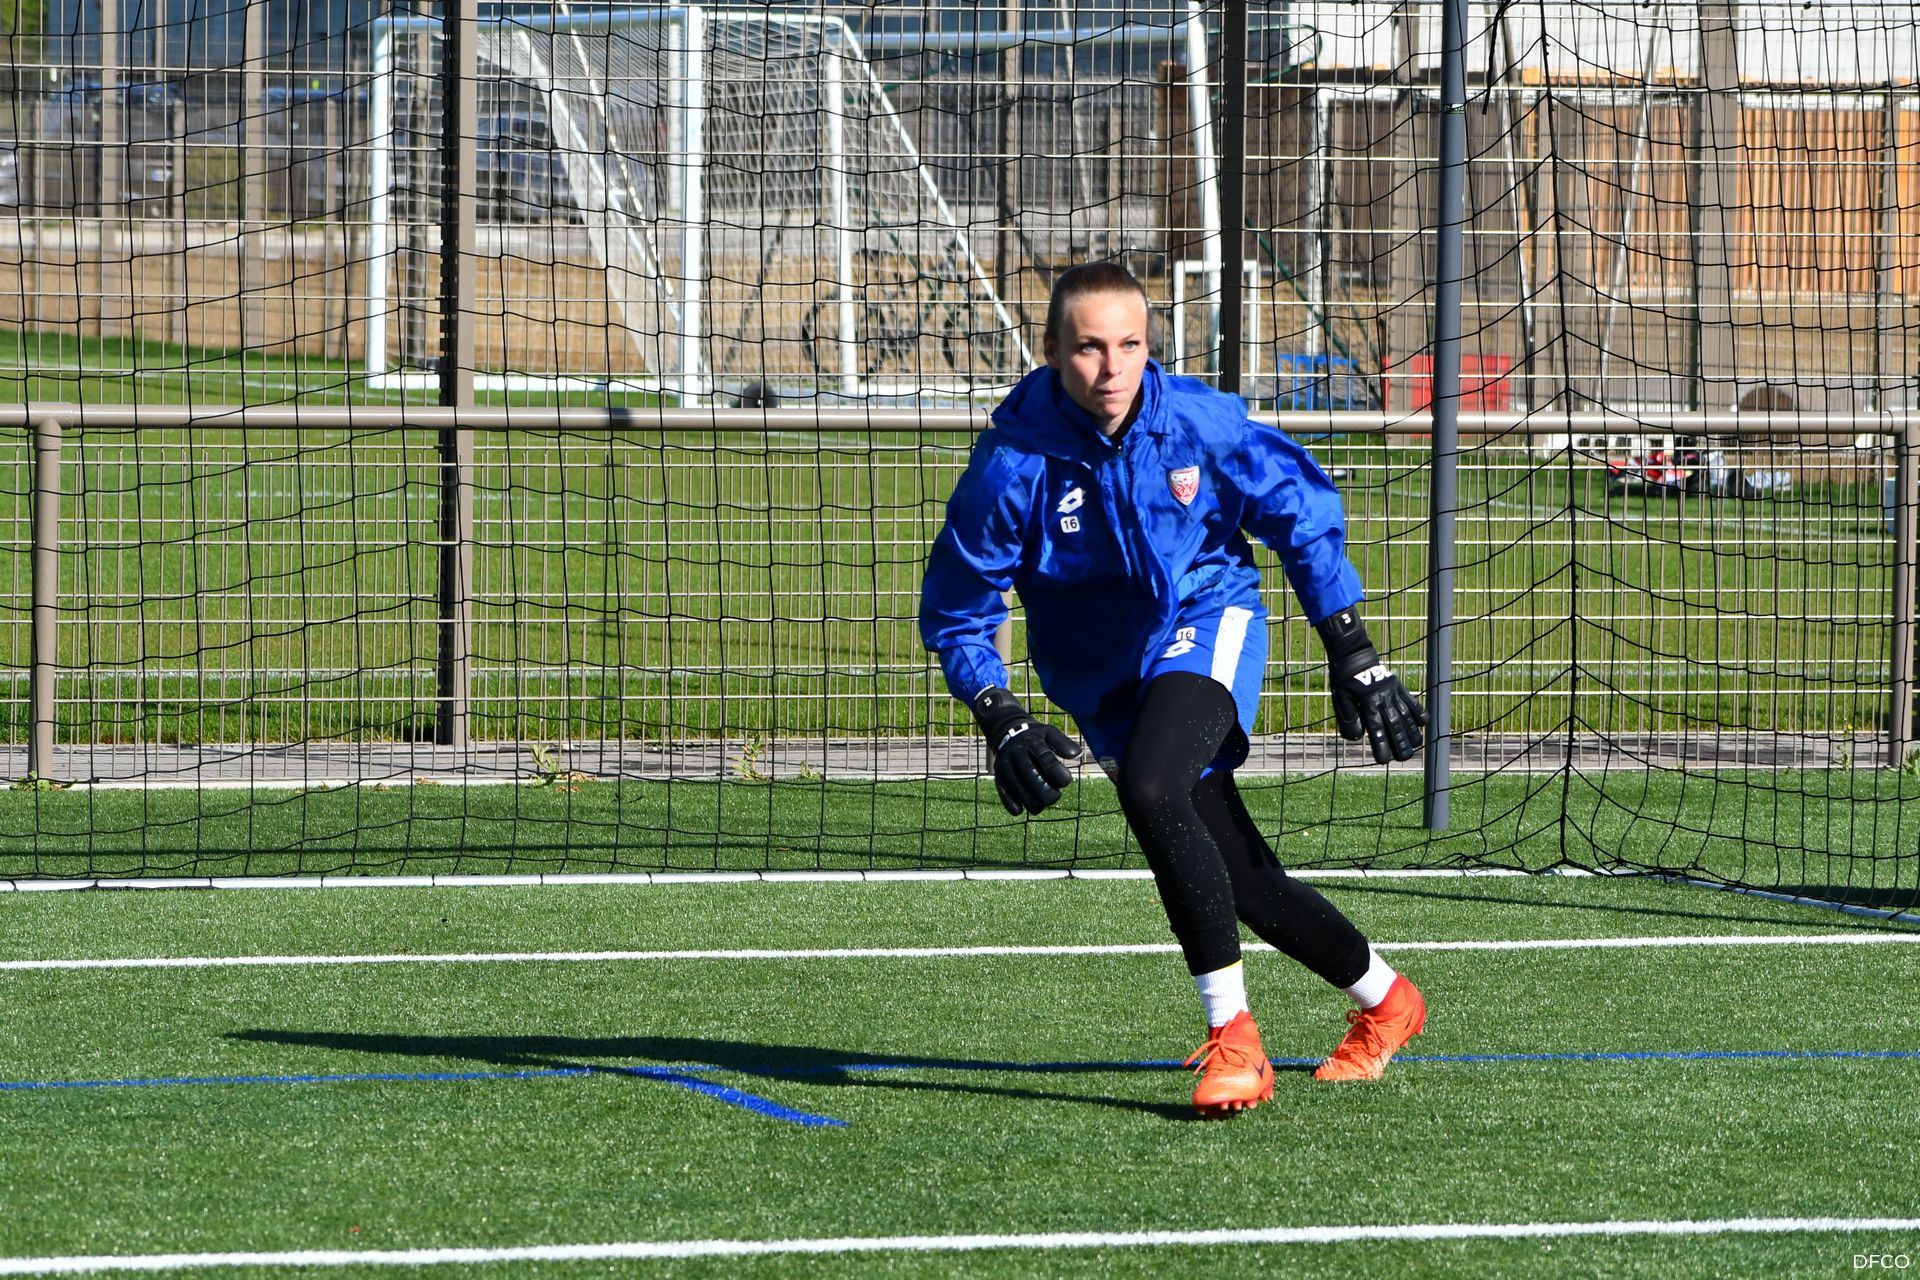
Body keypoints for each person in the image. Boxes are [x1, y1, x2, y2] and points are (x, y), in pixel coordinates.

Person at [919, 261, 1430, 1116]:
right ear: (1050, 351)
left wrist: (1354, 649)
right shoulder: (1011, 464)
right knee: (1241, 879)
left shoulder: (1196, 421)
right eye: (1089, 347)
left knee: (1155, 788)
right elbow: (957, 608)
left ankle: (1236, 1043)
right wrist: (997, 712)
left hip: (1207, 615)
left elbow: (1298, 508)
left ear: (1149, 345)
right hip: (1102, 679)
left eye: (1129, 345)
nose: (1111, 368)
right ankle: (1388, 1001)